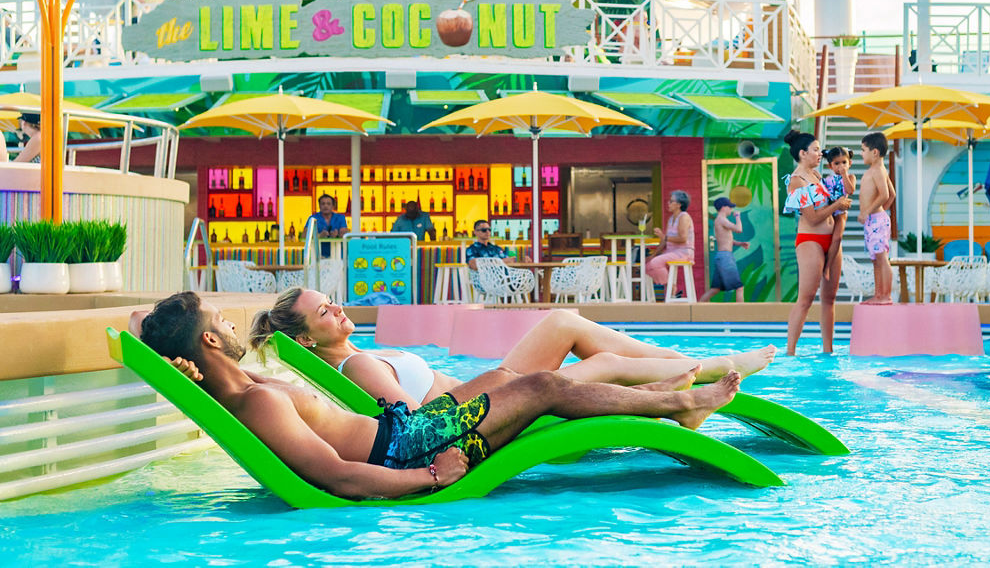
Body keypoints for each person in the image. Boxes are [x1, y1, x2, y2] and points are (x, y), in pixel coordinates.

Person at [139, 291, 741, 500]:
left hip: (405, 435)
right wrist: (432, 476)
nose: (235, 325)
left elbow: (147, 323)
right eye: (221, 319)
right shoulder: (258, 402)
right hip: (404, 452)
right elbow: (338, 477)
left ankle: (667, 395)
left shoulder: (247, 391)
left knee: (514, 382)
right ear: (213, 339)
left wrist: (159, 339)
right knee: (545, 386)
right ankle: (677, 403)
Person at [247, 288, 776, 409]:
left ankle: (693, 371)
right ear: (303, 339)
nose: (340, 311)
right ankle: (712, 371)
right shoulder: (358, 365)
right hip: (494, 403)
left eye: (334, 303)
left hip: (490, 386)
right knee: (605, 360)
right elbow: (412, 423)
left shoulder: (349, 361)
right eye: (326, 312)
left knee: (565, 322)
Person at [783, 129, 851, 356]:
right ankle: (790, 352)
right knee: (806, 297)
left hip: (831, 239)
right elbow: (811, 217)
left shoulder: (818, 177)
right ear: (802, 153)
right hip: (810, 240)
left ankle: (828, 350)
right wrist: (837, 205)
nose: (820, 153)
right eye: (815, 150)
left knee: (830, 297)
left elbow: (839, 199)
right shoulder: (797, 181)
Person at [858, 132, 896, 304]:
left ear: (874, 152)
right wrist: (880, 213)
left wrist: (870, 212)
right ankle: (878, 294)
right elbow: (892, 195)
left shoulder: (878, 171)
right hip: (875, 220)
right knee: (875, 259)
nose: (861, 154)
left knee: (882, 258)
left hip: (875, 219)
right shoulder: (876, 170)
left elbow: (885, 194)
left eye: (863, 150)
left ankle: (886, 295)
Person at [820, 147, 856, 310]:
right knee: (827, 238)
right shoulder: (826, 179)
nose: (840, 166)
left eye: (844, 162)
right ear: (830, 166)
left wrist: (844, 175)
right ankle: (822, 263)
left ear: (850, 163)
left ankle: (828, 266)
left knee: (838, 238)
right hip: (829, 212)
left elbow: (850, 190)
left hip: (840, 213)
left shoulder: (850, 177)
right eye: (836, 164)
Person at [700, 197, 749, 303]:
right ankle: (741, 314)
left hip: (722, 256)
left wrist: (739, 243)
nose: (731, 210)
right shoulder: (721, 220)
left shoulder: (720, 220)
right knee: (739, 287)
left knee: (715, 289)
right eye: (730, 207)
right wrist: (737, 217)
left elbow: (726, 239)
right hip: (725, 257)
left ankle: (698, 308)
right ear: (723, 207)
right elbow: (739, 229)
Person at [646, 190, 695, 295]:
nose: (668, 203)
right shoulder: (671, 218)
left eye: (671, 201)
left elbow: (683, 239)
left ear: (679, 204)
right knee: (648, 265)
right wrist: (653, 255)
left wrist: (664, 237)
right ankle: (670, 290)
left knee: (655, 263)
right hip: (670, 252)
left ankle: (671, 288)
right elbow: (665, 240)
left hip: (683, 252)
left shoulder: (684, 217)